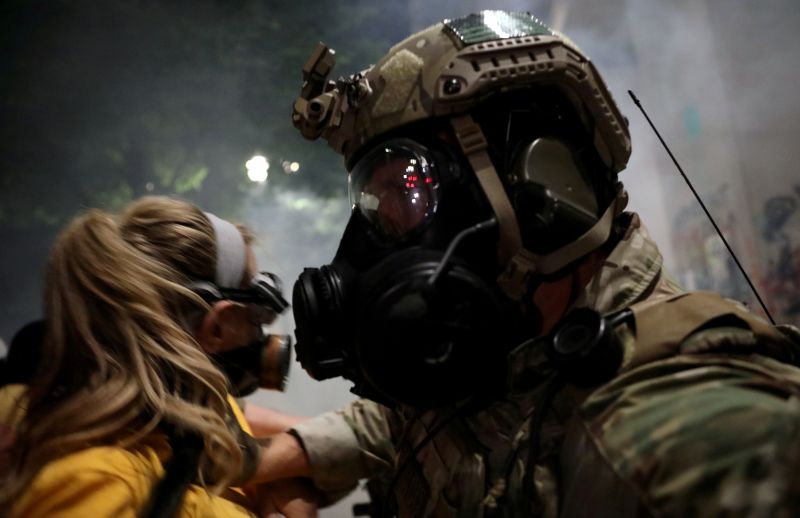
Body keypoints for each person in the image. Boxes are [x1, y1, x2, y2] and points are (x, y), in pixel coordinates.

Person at [248, 10, 800, 516]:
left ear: (539, 187)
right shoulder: (508, 352)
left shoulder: (670, 429)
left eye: (409, 189)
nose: (383, 239)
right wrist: (280, 456)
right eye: (376, 204)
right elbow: (411, 421)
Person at [0, 196, 316, 517]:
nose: (260, 337)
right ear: (215, 328)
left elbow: (247, 428)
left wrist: (273, 478)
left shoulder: (187, 405)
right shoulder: (101, 480)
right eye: (255, 317)